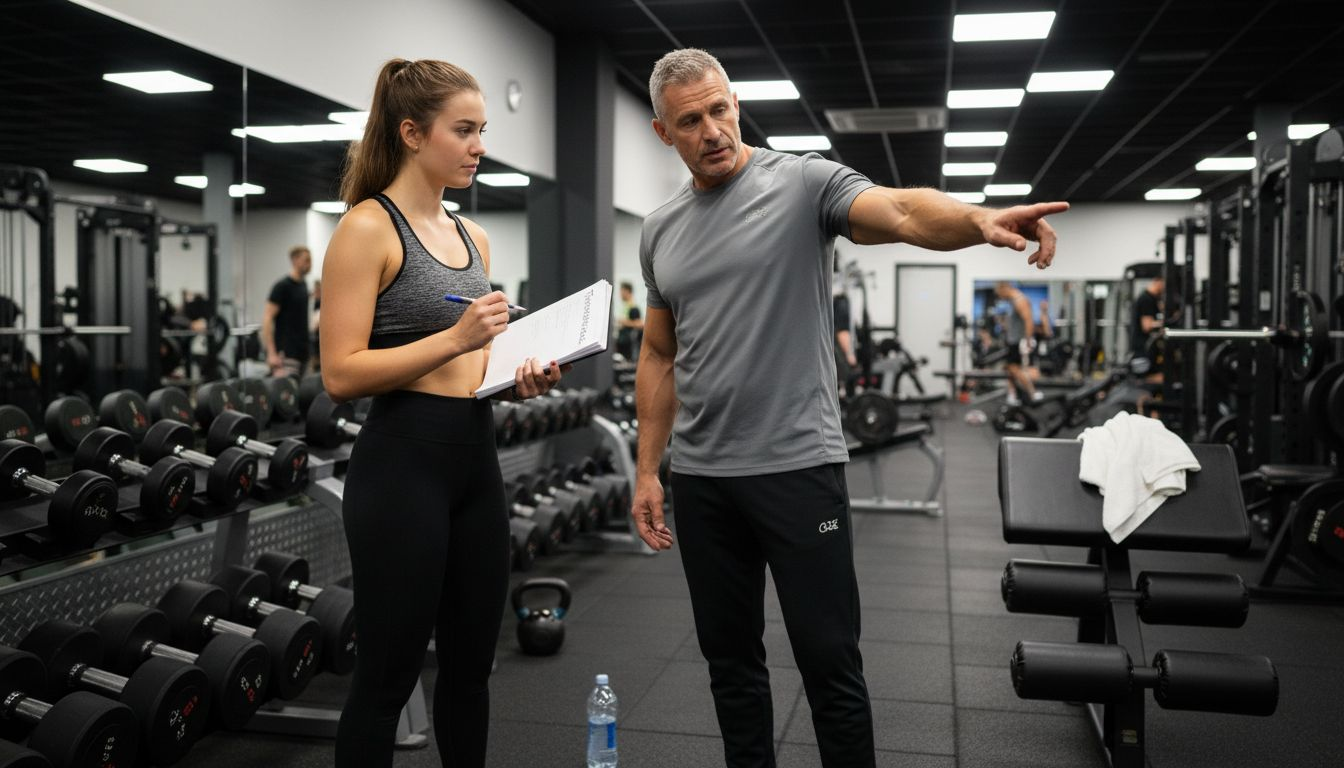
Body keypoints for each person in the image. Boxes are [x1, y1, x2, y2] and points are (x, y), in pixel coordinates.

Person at [631, 48, 1066, 768]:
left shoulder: (801, 181)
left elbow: (899, 210)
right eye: (690, 120)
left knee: (830, 664)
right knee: (729, 666)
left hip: (798, 468)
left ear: (734, 103)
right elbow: (658, 354)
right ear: (662, 132)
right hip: (704, 480)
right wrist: (649, 469)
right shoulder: (660, 231)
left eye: (719, 109)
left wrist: (977, 217)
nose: (711, 129)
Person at [318, 58, 563, 768]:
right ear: (412, 133)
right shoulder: (368, 228)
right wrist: (454, 337)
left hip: (474, 462)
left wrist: (517, 378)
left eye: (482, 129)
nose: (479, 144)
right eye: (464, 130)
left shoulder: (473, 237)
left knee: (471, 672)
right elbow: (340, 374)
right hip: (402, 469)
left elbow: (472, 366)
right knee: (389, 678)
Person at [261, 245, 313, 376]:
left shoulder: (303, 285)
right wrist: (271, 353)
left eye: (310, 260)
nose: (309, 264)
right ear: (294, 260)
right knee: (287, 394)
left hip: (303, 353)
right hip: (285, 354)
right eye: (306, 260)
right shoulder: (282, 286)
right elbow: (267, 319)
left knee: (305, 395)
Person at [995, 281, 1041, 405]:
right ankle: (1012, 395)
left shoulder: (1020, 300)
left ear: (1004, 288)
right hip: (1013, 341)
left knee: (1014, 368)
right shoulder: (1012, 301)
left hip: (1019, 342)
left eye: (999, 293)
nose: (999, 296)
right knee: (1011, 369)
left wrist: (1028, 340)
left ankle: (1032, 393)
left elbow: (1029, 321)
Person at [615, 280, 644, 360]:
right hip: (622, 345)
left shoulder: (634, 308)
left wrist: (623, 322)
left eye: (621, 291)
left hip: (629, 347)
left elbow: (640, 325)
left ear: (627, 291)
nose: (620, 294)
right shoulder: (626, 306)